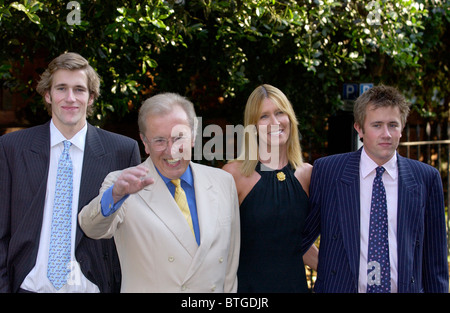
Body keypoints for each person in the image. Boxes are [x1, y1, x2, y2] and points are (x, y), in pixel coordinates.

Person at [0, 52, 141, 293]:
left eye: (79, 89)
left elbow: (131, 235)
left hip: (93, 287)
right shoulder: (12, 148)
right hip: (27, 287)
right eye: (61, 88)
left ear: (91, 96)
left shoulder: (122, 151)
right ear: (48, 94)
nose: (70, 98)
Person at [78, 92, 240, 292]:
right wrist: (116, 195)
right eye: (160, 141)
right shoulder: (123, 184)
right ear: (145, 143)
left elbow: (230, 268)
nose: (171, 150)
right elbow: (91, 228)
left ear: (194, 137)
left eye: (179, 138)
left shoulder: (223, 182)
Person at [302, 84, 449, 293]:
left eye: (393, 125)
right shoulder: (328, 172)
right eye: (377, 125)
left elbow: (435, 263)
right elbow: (300, 237)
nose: (386, 134)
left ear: (402, 127)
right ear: (359, 129)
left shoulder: (426, 178)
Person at [223, 84, 318, 293]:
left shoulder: (308, 175)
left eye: (279, 112)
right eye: (264, 116)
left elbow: (297, 244)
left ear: (290, 118)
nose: (274, 122)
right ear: (253, 126)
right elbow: (218, 245)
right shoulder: (234, 175)